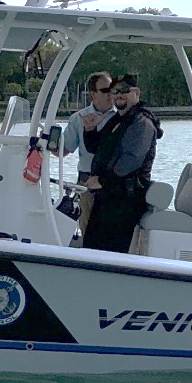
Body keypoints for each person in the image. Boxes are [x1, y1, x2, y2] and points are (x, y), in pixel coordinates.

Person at [81, 74, 160, 253]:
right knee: (92, 248)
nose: (118, 95)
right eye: (114, 91)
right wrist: (90, 131)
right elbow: (98, 148)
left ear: (136, 92)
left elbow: (130, 161)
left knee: (109, 253)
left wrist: (102, 181)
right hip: (109, 197)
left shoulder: (142, 123)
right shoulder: (118, 120)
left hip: (125, 200)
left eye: (124, 90)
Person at [61, 72, 115, 240]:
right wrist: (48, 141)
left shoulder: (123, 118)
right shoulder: (79, 118)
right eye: (105, 90)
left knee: (113, 236)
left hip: (114, 186)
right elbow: (63, 151)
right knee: (88, 235)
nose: (111, 94)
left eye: (113, 90)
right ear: (93, 94)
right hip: (87, 185)